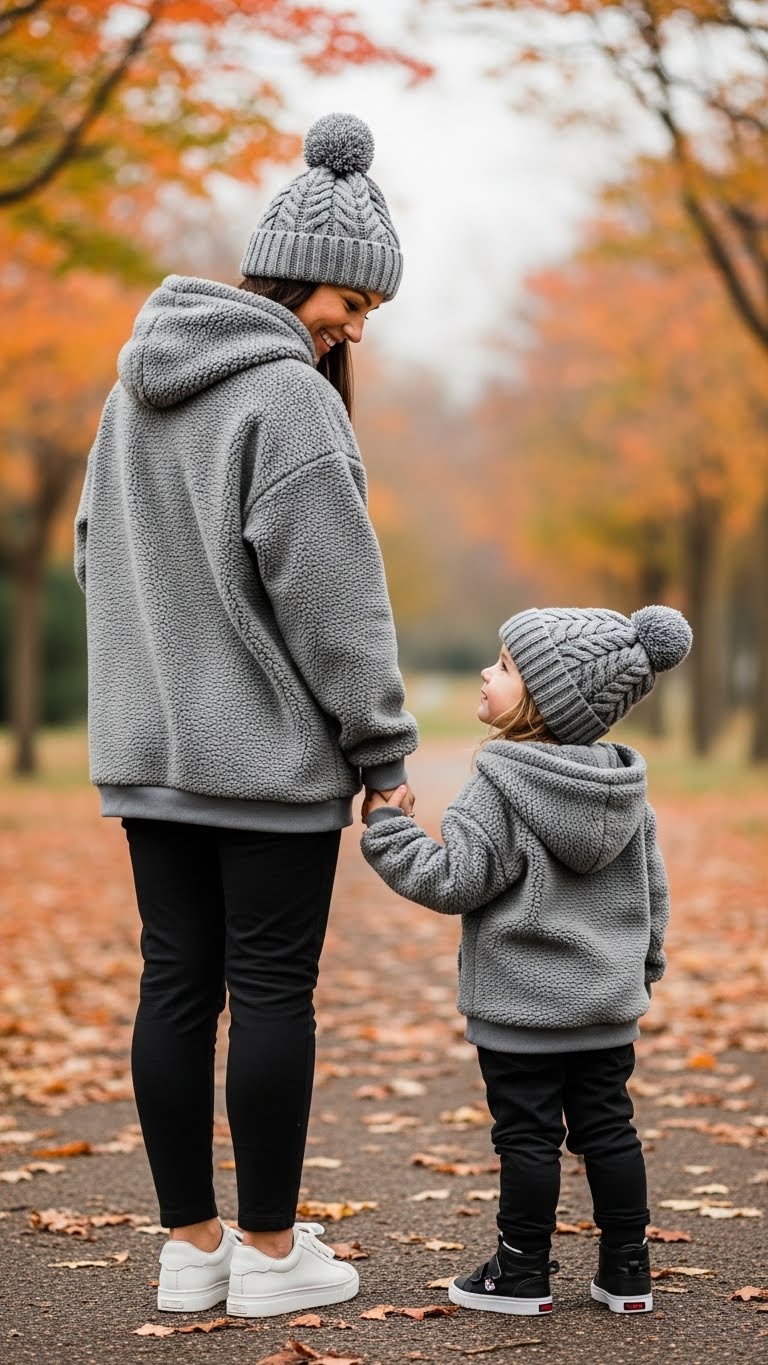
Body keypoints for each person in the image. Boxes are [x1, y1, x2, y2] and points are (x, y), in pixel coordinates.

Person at [74, 112, 417, 1320]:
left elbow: (90, 559)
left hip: (146, 751)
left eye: (372, 311)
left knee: (176, 985)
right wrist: (382, 747)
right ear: (292, 271)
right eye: (352, 299)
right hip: (267, 766)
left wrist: (150, 679)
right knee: (272, 990)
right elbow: (337, 602)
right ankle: (271, 1259)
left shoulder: (135, 386)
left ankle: (191, 1250)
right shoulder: (289, 397)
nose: (356, 326)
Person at [361, 604, 692, 1317]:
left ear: (543, 700)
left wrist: (390, 829)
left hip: (520, 1007)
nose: (488, 671)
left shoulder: (499, 785)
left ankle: (521, 1272)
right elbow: (651, 895)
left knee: (527, 1137)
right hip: (606, 1008)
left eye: (506, 666)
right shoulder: (624, 791)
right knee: (609, 1127)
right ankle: (627, 1269)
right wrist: (642, 973)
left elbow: (454, 881)